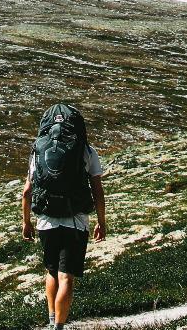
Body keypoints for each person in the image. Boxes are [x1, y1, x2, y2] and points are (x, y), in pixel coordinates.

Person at [21, 104, 108, 330]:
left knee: (51, 271)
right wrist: (101, 222)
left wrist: (26, 222)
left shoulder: (38, 149)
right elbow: (97, 190)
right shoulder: (86, 150)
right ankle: (59, 327)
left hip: (45, 221)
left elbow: (27, 191)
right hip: (75, 221)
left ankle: (52, 321)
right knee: (67, 276)